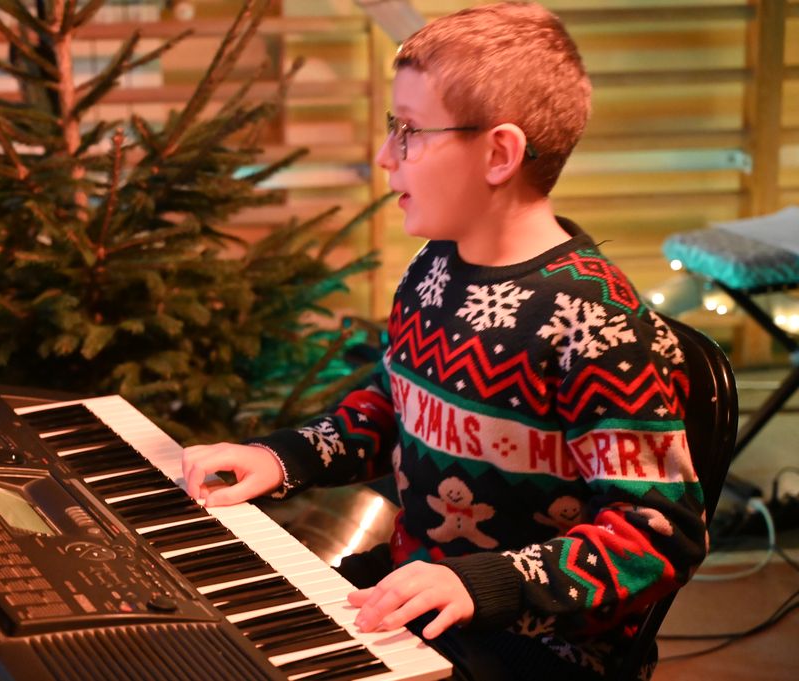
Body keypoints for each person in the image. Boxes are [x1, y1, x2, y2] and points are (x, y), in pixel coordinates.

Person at [182, 3, 706, 679]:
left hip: (538, 645)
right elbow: (393, 404)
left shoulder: (598, 326)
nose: (384, 155)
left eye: (408, 131)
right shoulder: (433, 270)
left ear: (499, 154)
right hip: (412, 588)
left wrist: (478, 583)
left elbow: (659, 535)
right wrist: (283, 456)